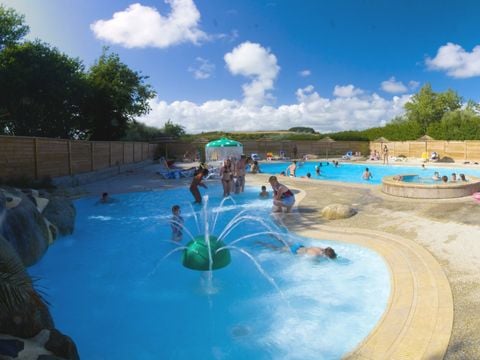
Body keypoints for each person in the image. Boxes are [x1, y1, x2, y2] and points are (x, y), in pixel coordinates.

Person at [258, 240, 337, 259]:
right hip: (294, 250)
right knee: (275, 248)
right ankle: (261, 243)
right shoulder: (315, 255)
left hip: (300, 246)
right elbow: (306, 259)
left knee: (283, 241)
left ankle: (272, 235)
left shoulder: (321, 249)